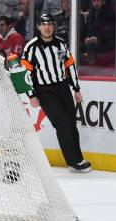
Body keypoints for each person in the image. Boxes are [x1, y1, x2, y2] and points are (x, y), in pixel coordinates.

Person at [23, 13, 91, 172]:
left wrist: (76, 89)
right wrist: (31, 94)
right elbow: (26, 73)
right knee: (63, 123)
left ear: (54, 26)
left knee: (71, 123)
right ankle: (74, 162)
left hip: (62, 87)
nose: (47, 27)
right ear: (38, 27)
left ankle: (78, 159)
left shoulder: (61, 44)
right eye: (43, 24)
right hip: (44, 90)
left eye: (50, 24)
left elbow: (70, 67)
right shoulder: (31, 47)